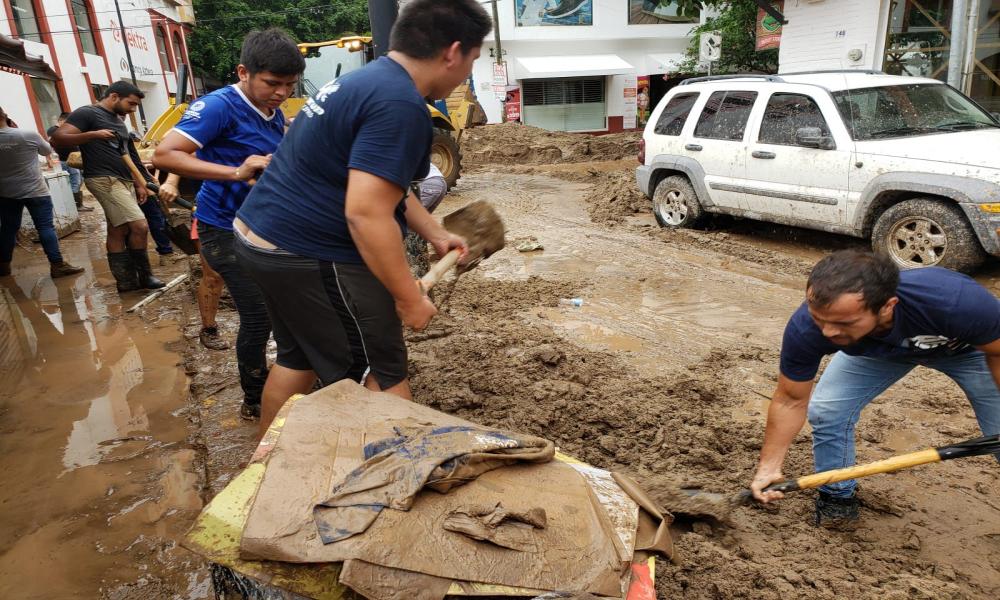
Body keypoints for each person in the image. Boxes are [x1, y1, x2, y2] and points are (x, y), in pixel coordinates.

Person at [234, 0, 492, 435]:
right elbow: (366, 213)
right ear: (452, 52)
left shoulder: (365, 82)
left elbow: (390, 191)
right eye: (472, 59)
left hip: (260, 240)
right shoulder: (400, 104)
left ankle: (264, 467)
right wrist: (408, 299)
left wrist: (435, 233)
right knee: (383, 367)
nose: (468, 72)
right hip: (307, 252)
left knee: (297, 357)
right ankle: (385, 481)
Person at [750, 250, 1000, 527]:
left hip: (967, 352)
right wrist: (769, 466)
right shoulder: (808, 328)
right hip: (876, 352)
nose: (827, 333)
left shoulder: (955, 302)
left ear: (887, 306)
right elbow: (789, 401)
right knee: (827, 410)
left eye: (843, 323)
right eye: (819, 319)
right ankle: (837, 496)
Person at [152, 28, 304, 419]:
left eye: (289, 85)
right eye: (272, 83)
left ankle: (289, 378)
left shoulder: (274, 113)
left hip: (264, 225)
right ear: (243, 72)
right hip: (223, 228)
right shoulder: (219, 106)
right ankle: (255, 397)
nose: (282, 93)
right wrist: (235, 172)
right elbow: (165, 155)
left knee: (285, 305)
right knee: (257, 314)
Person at [52, 81, 164, 292]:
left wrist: (142, 182)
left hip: (124, 180)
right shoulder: (87, 113)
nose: (132, 109)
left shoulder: (118, 122)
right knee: (140, 226)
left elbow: (130, 155)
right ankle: (145, 277)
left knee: (118, 228)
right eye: (130, 103)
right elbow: (57, 138)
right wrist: (92, 135)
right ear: (114, 96)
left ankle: (126, 282)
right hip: (103, 179)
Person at [0, 105, 85, 279]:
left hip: (6, 192)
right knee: (45, 227)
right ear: (5, 116)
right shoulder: (27, 134)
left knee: (8, 229)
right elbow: (47, 151)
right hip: (36, 190)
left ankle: (3, 266)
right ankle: (57, 265)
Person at [158, 177, 229, 351]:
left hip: (253, 208)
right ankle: (209, 328)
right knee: (213, 275)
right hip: (211, 211)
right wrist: (172, 182)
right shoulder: (206, 149)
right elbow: (177, 153)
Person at [46, 112, 92, 213]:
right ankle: (75, 206)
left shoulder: (64, 130)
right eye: (67, 122)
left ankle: (78, 204)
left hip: (73, 159)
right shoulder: (54, 130)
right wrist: (49, 159)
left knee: (79, 180)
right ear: (61, 120)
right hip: (65, 160)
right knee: (74, 182)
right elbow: (50, 145)